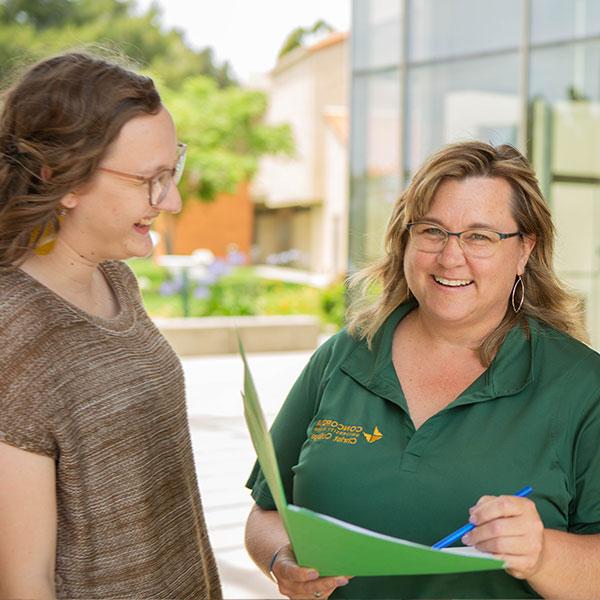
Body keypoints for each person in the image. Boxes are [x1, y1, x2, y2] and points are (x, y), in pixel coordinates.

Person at [245, 141, 600, 599]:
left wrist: (542, 554)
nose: (451, 257)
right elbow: (266, 512)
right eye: (433, 231)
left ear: (524, 250)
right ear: (406, 238)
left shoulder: (581, 386)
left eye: (480, 236)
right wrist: (280, 561)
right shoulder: (343, 358)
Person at [0, 52, 221, 599]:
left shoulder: (117, 280)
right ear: (60, 179)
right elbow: (22, 582)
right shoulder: (13, 332)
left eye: (174, 171)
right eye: (150, 180)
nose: (169, 201)